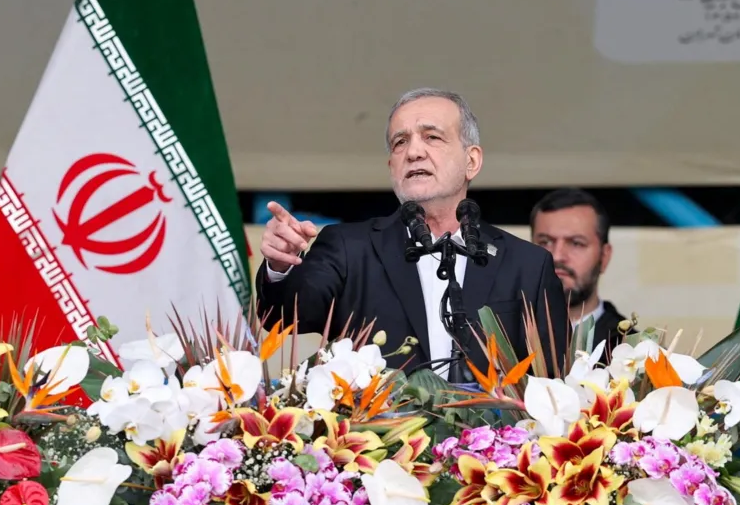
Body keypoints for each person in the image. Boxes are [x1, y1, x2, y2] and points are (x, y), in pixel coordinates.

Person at [256, 88, 569, 378]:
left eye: (432, 137)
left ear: (471, 161)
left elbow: (554, 381)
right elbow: (283, 318)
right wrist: (281, 266)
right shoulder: (349, 248)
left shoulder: (527, 265)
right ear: (391, 166)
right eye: (400, 142)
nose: (414, 152)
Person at [530, 188, 628, 361]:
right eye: (545, 242)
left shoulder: (637, 354)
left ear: (604, 257)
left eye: (576, 243)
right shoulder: (499, 342)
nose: (557, 256)